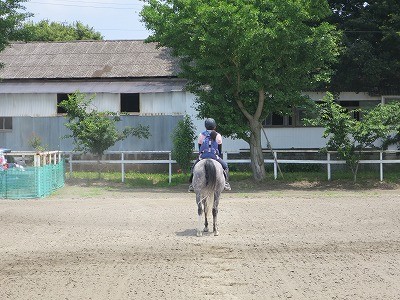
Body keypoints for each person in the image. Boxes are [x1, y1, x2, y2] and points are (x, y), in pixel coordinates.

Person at [188, 118, 231, 192]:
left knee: (193, 167)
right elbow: (219, 149)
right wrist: (217, 157)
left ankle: (192, 185)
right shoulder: (218, 135)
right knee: (225, 166)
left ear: (205, 126)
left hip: (203, 156)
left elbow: (200, 148)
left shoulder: (201, 135)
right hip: (214, 156)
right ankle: (226, 183)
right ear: (215, 126)